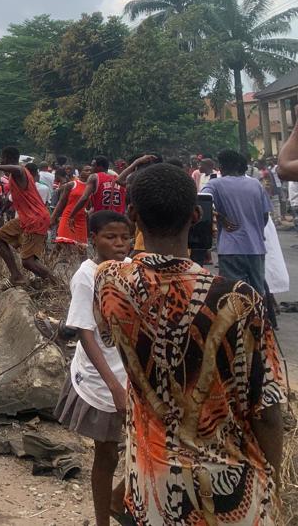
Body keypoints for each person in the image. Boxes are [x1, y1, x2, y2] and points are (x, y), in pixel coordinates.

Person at [95, 164, 284, 525]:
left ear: (132, 216)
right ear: (197, 216)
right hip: (232, 493)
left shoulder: (108, 281)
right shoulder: (238, 300)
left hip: (153, 490)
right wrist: (272, 489)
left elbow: (110, 330)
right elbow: (268, 412)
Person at [54, 210, 131, 526]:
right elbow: (85, 332)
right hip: (104, 376)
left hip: (131, 372)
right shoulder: (87, 275)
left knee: (152, 448)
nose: (120, 244)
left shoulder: (129, 269)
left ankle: (119, 498)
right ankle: (103, 519)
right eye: (111, 237)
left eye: (125, 237)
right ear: (93, 239)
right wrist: (114, 385)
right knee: (108, 452)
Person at [200, 149, 273, 303]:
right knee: (257, 294)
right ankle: (259, 324)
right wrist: (255, 231)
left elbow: (201, 202)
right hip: (256, 248)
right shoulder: (255, 184)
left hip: (231, 248)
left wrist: (219, 217)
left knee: (232, 295)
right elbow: (265, 216)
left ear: (221, 166)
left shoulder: (215, 184)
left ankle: (238, 326)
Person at [0, 147, 52, 287]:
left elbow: (17, 169)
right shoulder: (14, 176)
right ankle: (16, 277)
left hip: (36, 218)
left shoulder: (20, 171)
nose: (0, 162)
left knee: (28, 262)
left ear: (7, 159)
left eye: (2, 159)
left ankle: (57, 285)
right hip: (26, 218)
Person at [69, 156, 125, 221]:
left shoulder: (94, 177)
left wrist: (72, 215)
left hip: (101, 219)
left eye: (93, 166)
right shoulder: (119, 179)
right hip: (119, 220)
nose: (91, 169)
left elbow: (84, 198)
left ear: (100, 167)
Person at [51, 164, 89, 250]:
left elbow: (90, 204)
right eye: (86, 170)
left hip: (81, 219)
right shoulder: (72, 184)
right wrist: (53, 217)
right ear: (80, 172)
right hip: (68, 216)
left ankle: (81, 263)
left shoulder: (91, 187)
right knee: (62, 243)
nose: (89, 172)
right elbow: (61, 202)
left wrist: (87, 212)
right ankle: (50, 261)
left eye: (91, 171)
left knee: (82, 247)